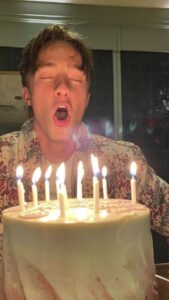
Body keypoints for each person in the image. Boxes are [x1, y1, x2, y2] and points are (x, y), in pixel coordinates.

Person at [0, 24, 169, 256]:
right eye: (48, 76)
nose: (62, 89)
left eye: (75, 79)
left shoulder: (120, 163)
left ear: (87, 98)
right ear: (27, 94)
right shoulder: (3, 163)